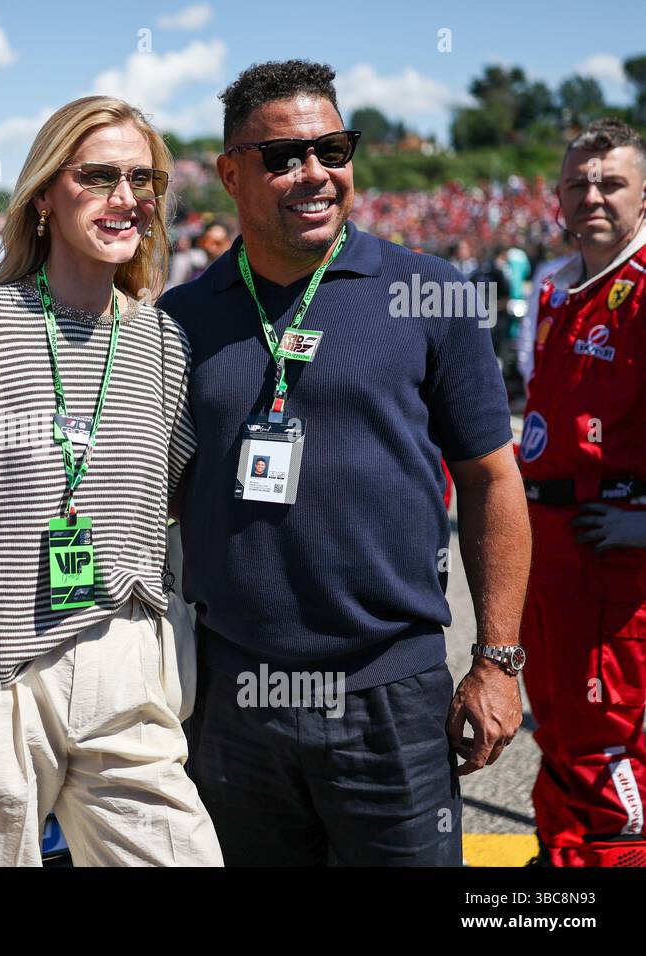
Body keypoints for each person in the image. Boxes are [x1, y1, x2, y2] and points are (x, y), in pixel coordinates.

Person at [159, 61, 530, 866]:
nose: (315, 173)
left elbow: (494, 480)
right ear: (230, 173)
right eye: (284, 156)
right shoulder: (181, 318)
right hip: (233, 701)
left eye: (333, 148)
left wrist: (497, 660)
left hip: (388, 696)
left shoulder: (432, 293)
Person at [0, 95, 222, 867]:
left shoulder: (165, 342)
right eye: (99, 175)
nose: (125, 198)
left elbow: (174, 509)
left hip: (125, 657)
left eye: (142, 180)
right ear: (45, 193)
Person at [519, 119, 646, 867]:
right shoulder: (556, 290)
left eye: (611, 182)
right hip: (552, 551)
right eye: (578, 183)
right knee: (558, 730)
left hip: (612, 557)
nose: (592, 195)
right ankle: (560, 866)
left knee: (609, 743)